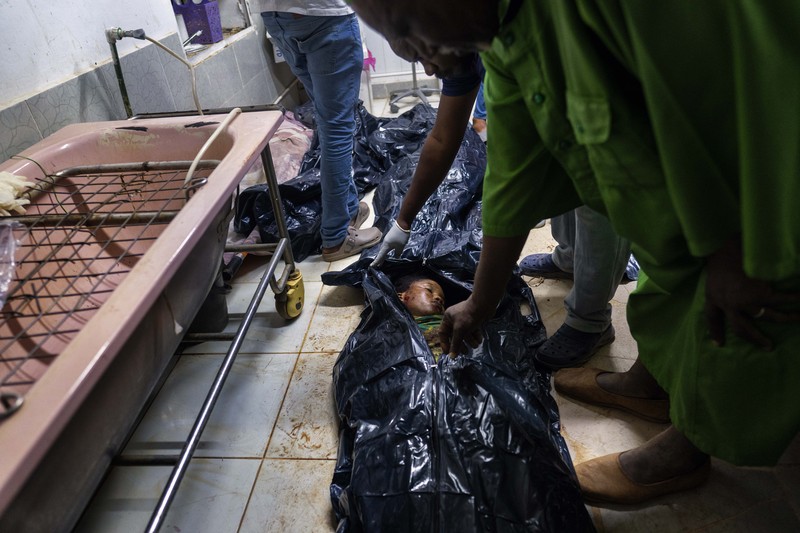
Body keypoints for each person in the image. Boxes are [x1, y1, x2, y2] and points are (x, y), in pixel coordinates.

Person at [346, 0, 800, 506]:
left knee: (737, 320)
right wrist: (480, 300)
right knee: (667, 299)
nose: (418, 58)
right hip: (670, 222)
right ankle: (653, 383)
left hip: (758, 197)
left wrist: (735, 244)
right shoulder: (502, 40)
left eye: (407, 29)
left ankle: (688, 449)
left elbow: (752, 91)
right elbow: (510, 182)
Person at [371, 48, 629, 371]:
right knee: (563, 169)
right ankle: (570, 257)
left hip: (609, 105)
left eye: (424, 52)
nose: (427, 70)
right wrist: (403, 221)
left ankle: (590, 322)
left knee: (596, 191)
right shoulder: (456, 51)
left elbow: (511, 192)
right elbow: (441, 138)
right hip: (566, 103)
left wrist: (481, 302)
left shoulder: (516, 55)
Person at [253, 0, 381, 261]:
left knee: (327, 118)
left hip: (276, 16)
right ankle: (336, 237)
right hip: (324, 14)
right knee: (337, 127)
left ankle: (348, 208)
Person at [396, 274, 447, 358]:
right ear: (402, 297)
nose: (439, 298)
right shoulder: (390, 331)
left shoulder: (454, 325)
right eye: (429, 290)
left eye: (443, 302)